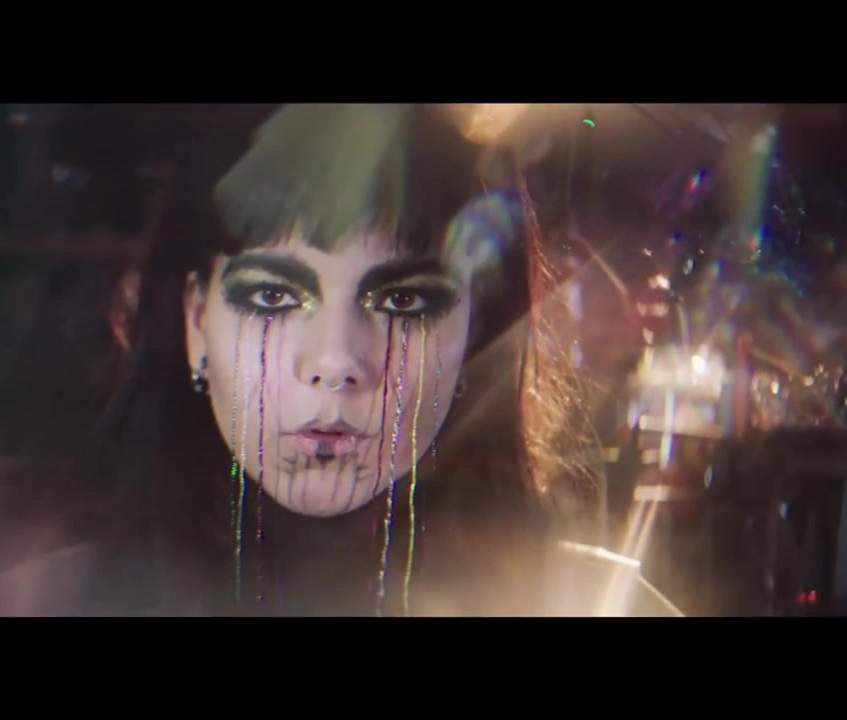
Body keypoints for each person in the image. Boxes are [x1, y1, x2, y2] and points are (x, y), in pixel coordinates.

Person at [66, 103, 679, 617]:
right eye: (273, 297)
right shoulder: (47, 600)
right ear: (196, 320)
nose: (337, 362)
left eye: (403, 301)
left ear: (475, 334)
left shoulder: (601, 605)